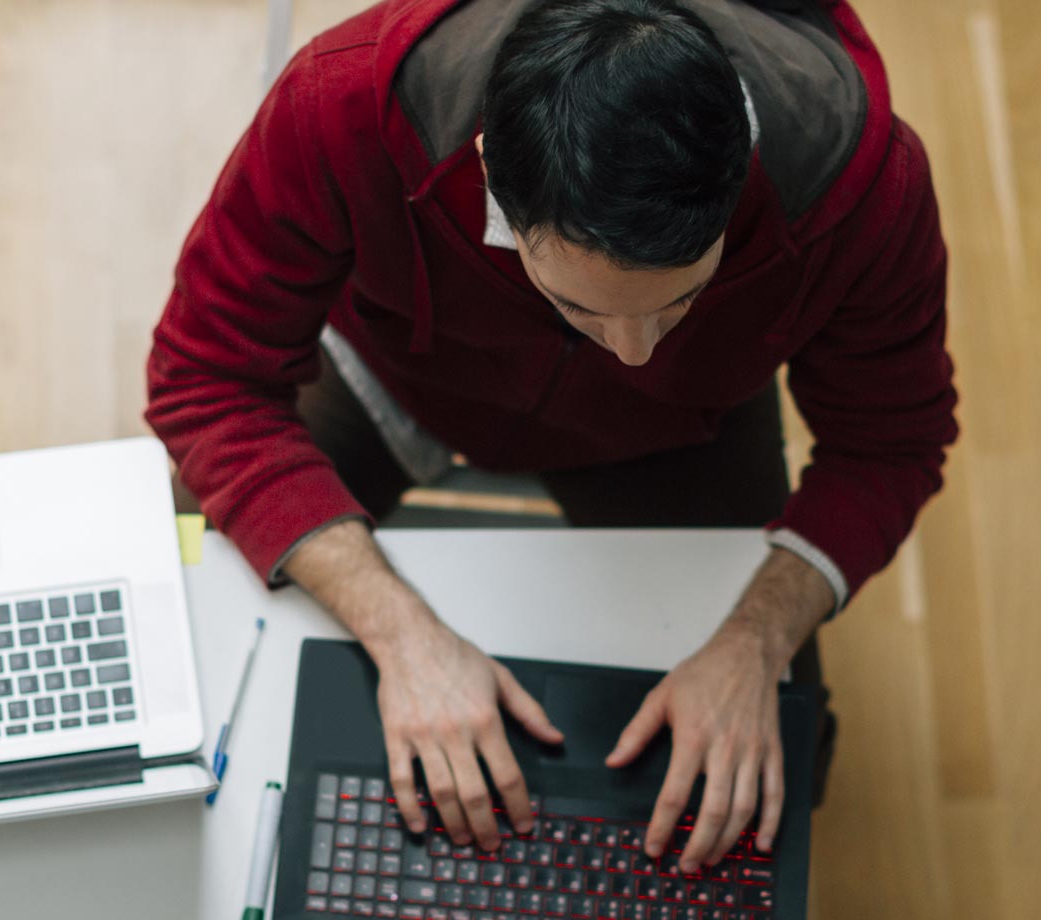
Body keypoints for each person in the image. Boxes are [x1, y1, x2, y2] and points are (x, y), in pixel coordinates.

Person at [147, 0, 957, 875]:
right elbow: (206, 376)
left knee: (777, 765)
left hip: (680, 429)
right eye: (580, 304)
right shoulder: (337, 102)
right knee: (197, 601)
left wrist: (756, 640)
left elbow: (890, 443)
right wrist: (401, 634)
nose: (636, 355)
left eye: (682, 297)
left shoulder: (864, 183)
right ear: (494, 168)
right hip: (399, 366)